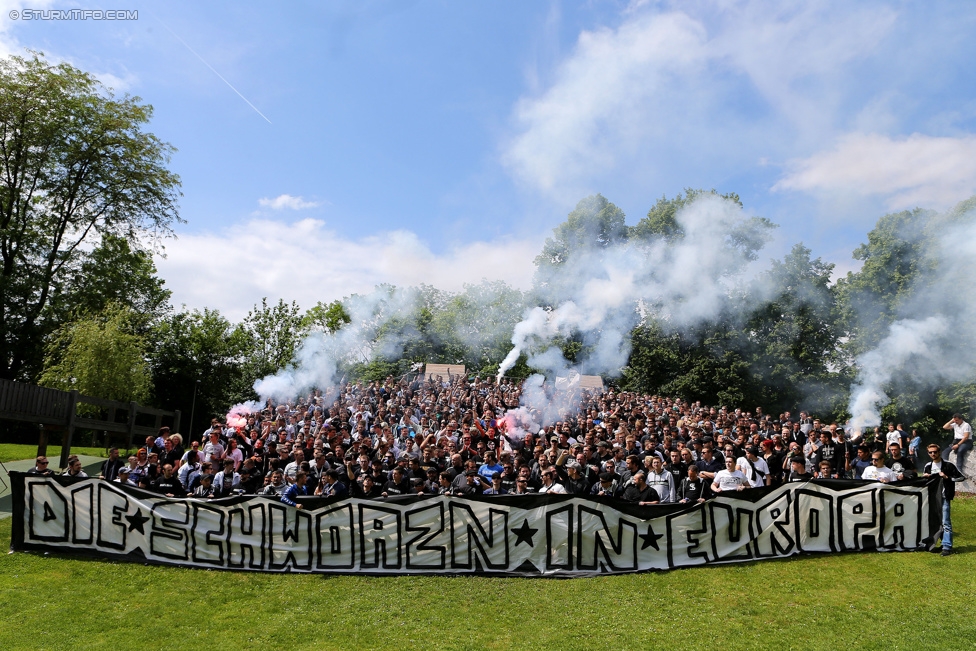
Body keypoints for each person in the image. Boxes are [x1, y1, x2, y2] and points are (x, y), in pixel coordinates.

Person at [923, 443, 965, 555]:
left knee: (945, 522)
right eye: (930, 452)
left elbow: (961, 477)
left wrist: (947, 478)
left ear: (939, 452)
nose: (933, 454)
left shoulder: (948, 465)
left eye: (935, 452)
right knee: (936, 523)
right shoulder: (928, 466)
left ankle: (947, 547)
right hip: (932, 498)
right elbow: (925, 483)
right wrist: (925, 478)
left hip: (944, 496)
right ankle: (941, 544)